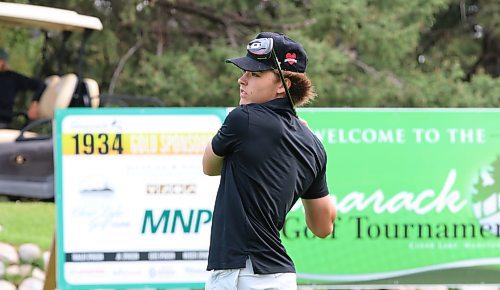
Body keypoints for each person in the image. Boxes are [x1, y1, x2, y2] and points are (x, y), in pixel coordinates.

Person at [202, 32, 337, 289]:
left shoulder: (243, 119)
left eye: (255, 74)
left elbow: (208, 166)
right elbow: (323, 226)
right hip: (281, 277)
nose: (242, 80)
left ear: (282, 84)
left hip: (241, 274)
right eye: (245, 71)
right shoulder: (313, 143)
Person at [0, 48, 45, 129]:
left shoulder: (11, 77)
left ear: (3, 62)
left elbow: (40, 84)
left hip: (3, 123)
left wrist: (35, 103)